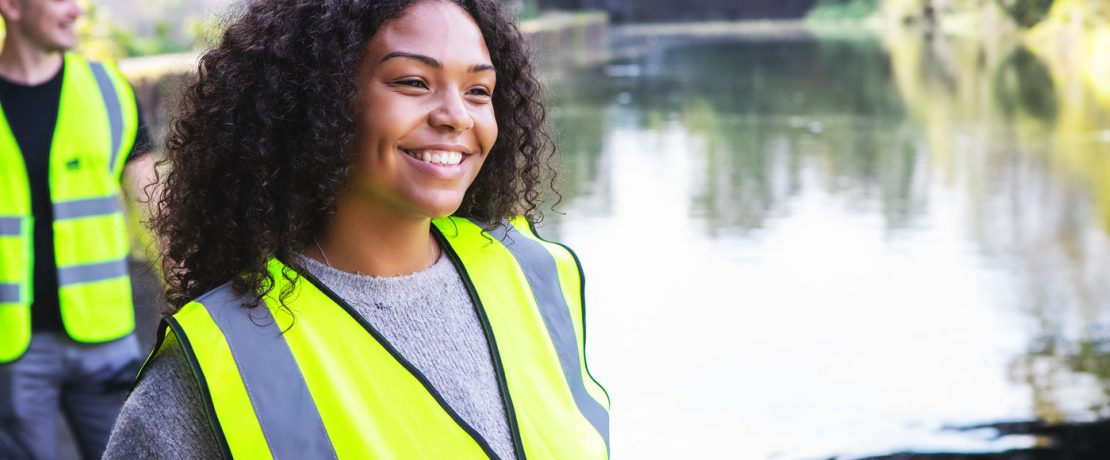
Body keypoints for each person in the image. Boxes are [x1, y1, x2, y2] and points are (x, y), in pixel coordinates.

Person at [104, 0, 609, 458]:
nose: (457, 116)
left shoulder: (536, 273)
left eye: (479, 90)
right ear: (317, 99)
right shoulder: (222, 360)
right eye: (413, 81)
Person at [0, 0, 157, 458]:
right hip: (12, 349)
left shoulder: (109, 91)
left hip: (106, 339)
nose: (75, 10)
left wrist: (196, 303)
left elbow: (154, 209)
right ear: (11, 6)